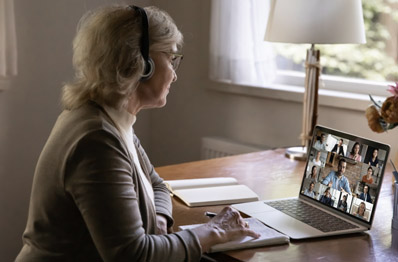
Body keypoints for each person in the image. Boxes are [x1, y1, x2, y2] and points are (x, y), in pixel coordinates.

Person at [15, 5, 259, 261]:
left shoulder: (111, 120)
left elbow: (157, 184)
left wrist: (160, 219)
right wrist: (213, 231)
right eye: (171, 57)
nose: (175, 75)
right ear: (143, 63)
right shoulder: (97, 139)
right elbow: (134, 255)